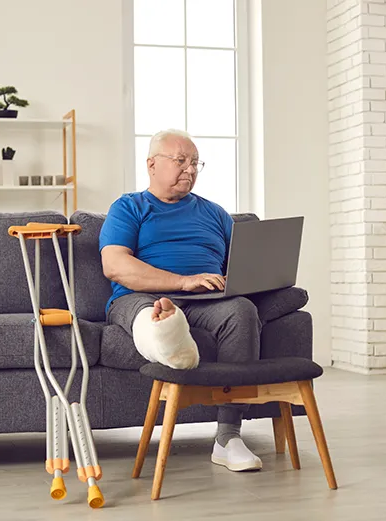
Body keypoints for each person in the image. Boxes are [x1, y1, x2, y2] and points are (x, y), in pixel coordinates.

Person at [99, 128, 263, 472]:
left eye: (195, 163)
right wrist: (183, 283)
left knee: (242, 311)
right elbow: (115, 265)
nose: (189, 169)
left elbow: (243, 264)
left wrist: (239, 281)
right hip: (140, 297)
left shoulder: (215, 213)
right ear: (152, 165)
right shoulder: (129, 207)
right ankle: (169, 335)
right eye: (180, 161)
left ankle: (228, 438)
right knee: (152, 314)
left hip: (208, 303)